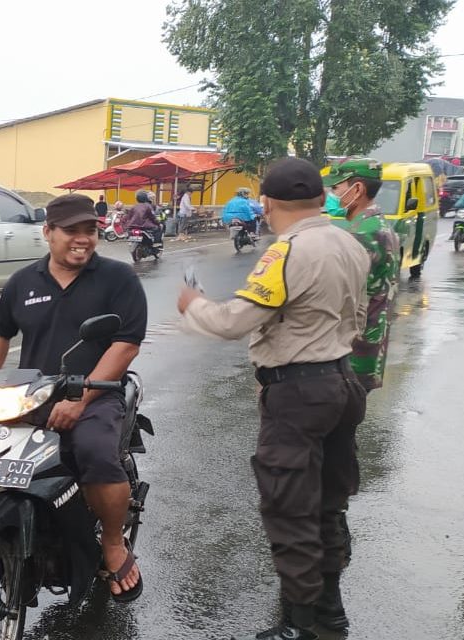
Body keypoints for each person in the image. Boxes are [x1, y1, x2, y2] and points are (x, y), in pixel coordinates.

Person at [0, 193, 148, 614]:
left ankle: (112, 545)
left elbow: (126, 345)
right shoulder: (23, 282)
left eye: (89, 231)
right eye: (71, 232)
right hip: (30, 392)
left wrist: (81, 398)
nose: (82, 240)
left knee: (94, 451)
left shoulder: (118, 278)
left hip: (97, 391)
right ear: (48, 233)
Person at [178, 158, 370, 640]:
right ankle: (330, 612)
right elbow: (360, 317)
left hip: (300, 394)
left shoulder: (288, 251)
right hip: (343, 382)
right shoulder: (350, 241)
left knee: (291, 508)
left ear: (267, 203)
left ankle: (299, 625)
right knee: (329, 503)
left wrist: (192, 304)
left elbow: (233, 322)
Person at [323, 158, 400, 393]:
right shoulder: (378, 224)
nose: (330, 195)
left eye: (335, 188)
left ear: (357, 189)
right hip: (369, 340)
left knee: (336, 420)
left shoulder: (363, 234)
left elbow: (338, 294)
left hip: (352, 348)